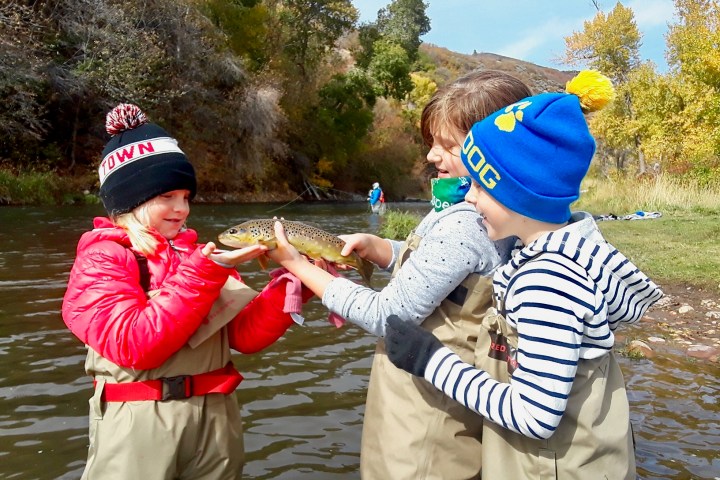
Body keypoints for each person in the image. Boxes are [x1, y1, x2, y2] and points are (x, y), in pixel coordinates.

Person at [384, 71, 664, 479]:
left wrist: (430, 360)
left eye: (481, 184)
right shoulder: (572, 256)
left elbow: (534, 415)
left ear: (519, 193)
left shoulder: (546, 282)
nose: (471, 196)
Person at [267, 71, 533, 479]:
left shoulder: (465, 224)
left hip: (429, 423)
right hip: (430, 404)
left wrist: (297, 265)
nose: (430, 156)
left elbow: (385, 314)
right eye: (431, 143)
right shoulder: (479, 210)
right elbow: (441, 273)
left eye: (447, 145)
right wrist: (379, 248)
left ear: (497, 153)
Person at [61, 103, 311, 480]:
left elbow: (243, 335)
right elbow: (134, 344)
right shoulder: (102, 257)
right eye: (167, 196)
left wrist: (297, 281)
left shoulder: (197, 256)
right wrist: (207, 271)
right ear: (130, 200)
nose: (182, 209)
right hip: (140, 426)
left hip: (217, 421)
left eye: (186, 197)